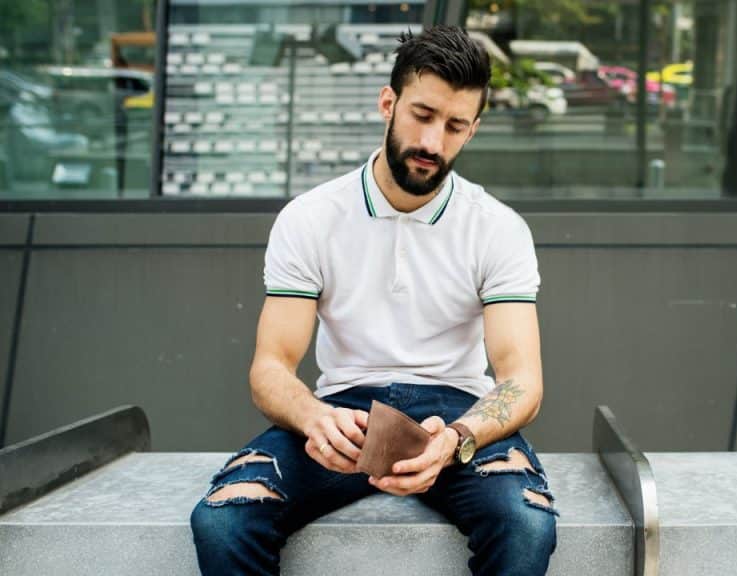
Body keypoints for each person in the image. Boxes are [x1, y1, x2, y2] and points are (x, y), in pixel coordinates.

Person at [189, 25, 557, 575]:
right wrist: (313, 417)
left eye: (455, 126)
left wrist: (457, 438)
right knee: (223, 519)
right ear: (388, 102)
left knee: (526, 524)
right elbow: (270, 367)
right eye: (423, 115)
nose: (434, 142)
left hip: (457, 414)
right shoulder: (311, 217)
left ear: (473, 130)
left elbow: (521, 380)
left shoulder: (497, 228)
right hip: (342, 411)